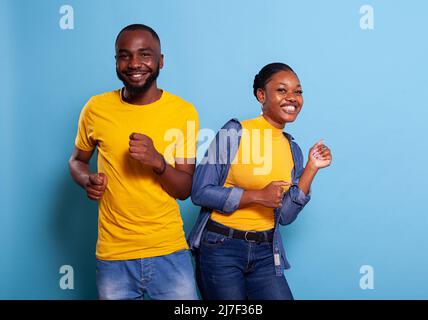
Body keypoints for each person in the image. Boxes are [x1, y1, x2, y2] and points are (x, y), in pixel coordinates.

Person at [68, 24, 199, 300]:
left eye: (145, 54)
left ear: (160, 61)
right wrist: (85, 179)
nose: (135, 63)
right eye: (124, 55)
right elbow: (77, 161)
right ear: (116, 61)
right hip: (114, 255)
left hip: (169, 251)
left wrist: (158, 161)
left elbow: (185, 189)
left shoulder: (183, 112)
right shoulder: (96, 108)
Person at [188, 63, 332, 300]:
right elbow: (200, 191)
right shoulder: (234, 132)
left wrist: (311, 168)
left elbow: (284, 216)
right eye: (282, 90)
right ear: (261, 95)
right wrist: (255, 196)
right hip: (221, 247)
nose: (292, 98)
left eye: (298, 92)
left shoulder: (292, 148)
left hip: (267, 251)